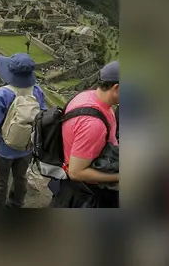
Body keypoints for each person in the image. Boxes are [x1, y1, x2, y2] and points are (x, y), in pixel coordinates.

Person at [50, 60, 120, 207]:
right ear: (117, 88)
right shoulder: (93, 124)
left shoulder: (87, 96)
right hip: (84, 195)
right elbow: (76, 172)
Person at [0, 53, 47, 208]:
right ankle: (16, 203)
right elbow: (42, 116)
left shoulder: (2, 93)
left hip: (4, 147)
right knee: (21, 177)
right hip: (27, 146)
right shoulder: (37, 92)